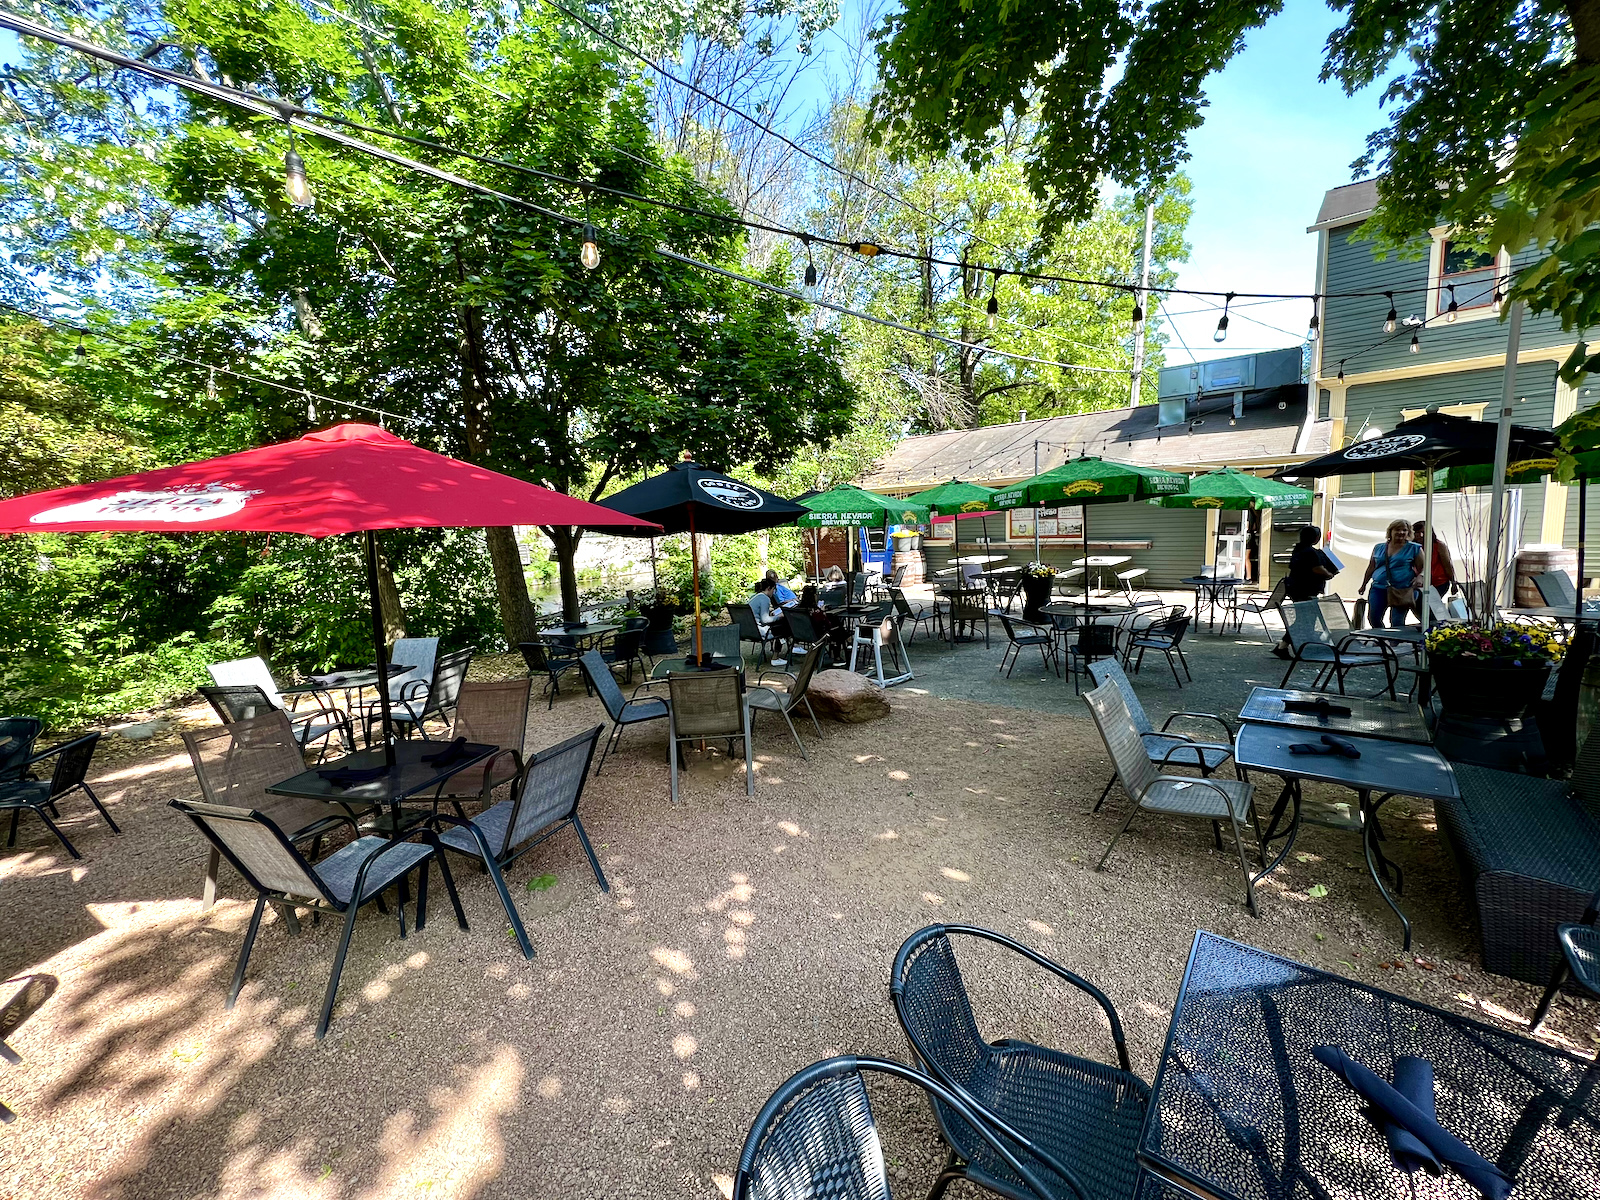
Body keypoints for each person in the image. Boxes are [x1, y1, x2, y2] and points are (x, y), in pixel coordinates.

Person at [1272, 526, 1336, 658]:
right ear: (1315, 538)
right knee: (1305, 620)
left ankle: (1285, 646)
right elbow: (1317, 569)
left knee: (1305, 620)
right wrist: (1329, 574)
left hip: (1297, 589)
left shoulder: (1299, 549)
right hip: (1305, 589)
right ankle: (1288, 646)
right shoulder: (1310, 552)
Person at [1358, 518, 1422, 628]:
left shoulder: (1414, 548)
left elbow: (1423, 567)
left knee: (1396, 621)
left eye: (1404, 530)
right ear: (1390, 531)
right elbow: (1371, 567)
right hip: (1379, 588)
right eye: (1397, 529)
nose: (1401, 532)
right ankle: (1383, 639)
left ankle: (1395, 643)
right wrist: (1363, 585)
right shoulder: (1379, 547)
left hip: (1403, 589)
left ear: (1408, 532)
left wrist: (1420, 577)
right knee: (1374, 618)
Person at [1411, 520, 1456, 617]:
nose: (1420, 535)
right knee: (1416, 605)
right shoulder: (1412, 547)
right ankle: (1428, 624)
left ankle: (1435, 624)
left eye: (1423, 532)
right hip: (1419, 583)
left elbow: (1447, 565)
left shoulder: (1439, 545)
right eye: (1417, 533)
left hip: (1438, 582)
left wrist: (1453, 582)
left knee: (1430, 605)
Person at [749, 577, 792, 662]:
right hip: (760, 631)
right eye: (773, 589)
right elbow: (765, 620)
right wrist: (780, 616)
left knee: (779, 626)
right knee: (785, 627)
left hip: (749, 630)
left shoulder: (755, 597)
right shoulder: (765, 598)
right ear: (769, 588)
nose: (774, 592)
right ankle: (775, 657)